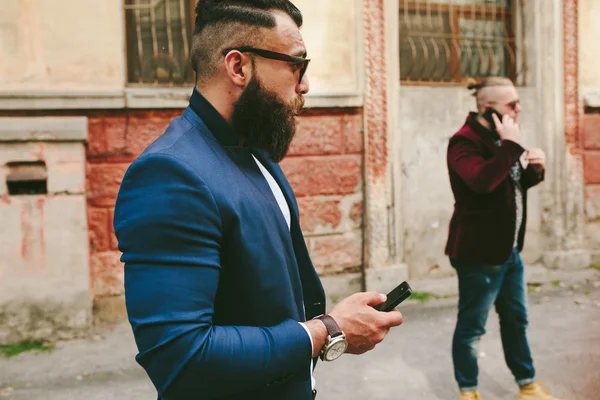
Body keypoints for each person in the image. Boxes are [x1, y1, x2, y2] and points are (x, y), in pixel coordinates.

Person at [113, 1, 403, 399]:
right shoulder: (170, 174)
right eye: (296, 65)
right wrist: (328, 329)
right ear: (239, 67)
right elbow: (181, 357)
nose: (304, 85)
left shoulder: (255, 152)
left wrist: (333, 327)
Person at [445, 77, 561, 400]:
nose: (518, 109)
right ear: (488, 109)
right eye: (511, 105)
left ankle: (527, 384)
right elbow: (481, 183)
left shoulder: (501, 138)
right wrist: (511, 145)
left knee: (515, 320)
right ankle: (468, 391)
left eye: (518, 103)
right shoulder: (463, 143)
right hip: (478, 254)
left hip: (509, 252)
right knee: (472, 328)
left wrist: (534, 170)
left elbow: (509, 186)